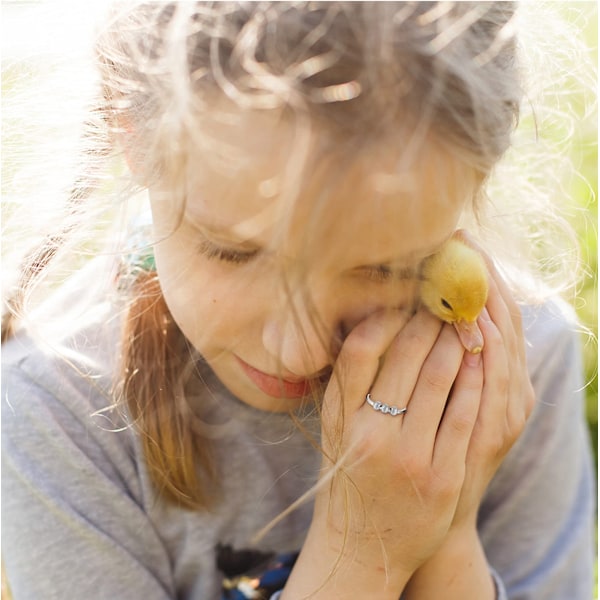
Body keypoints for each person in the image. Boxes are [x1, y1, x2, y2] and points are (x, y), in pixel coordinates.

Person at [2, 2, 595, 599]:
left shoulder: (520, 370)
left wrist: (448, 533)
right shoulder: (59, 409)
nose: (300, 349)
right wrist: (363, 554)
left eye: (386, 268)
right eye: (233, 252)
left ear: (476, 176)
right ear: (132, 137)